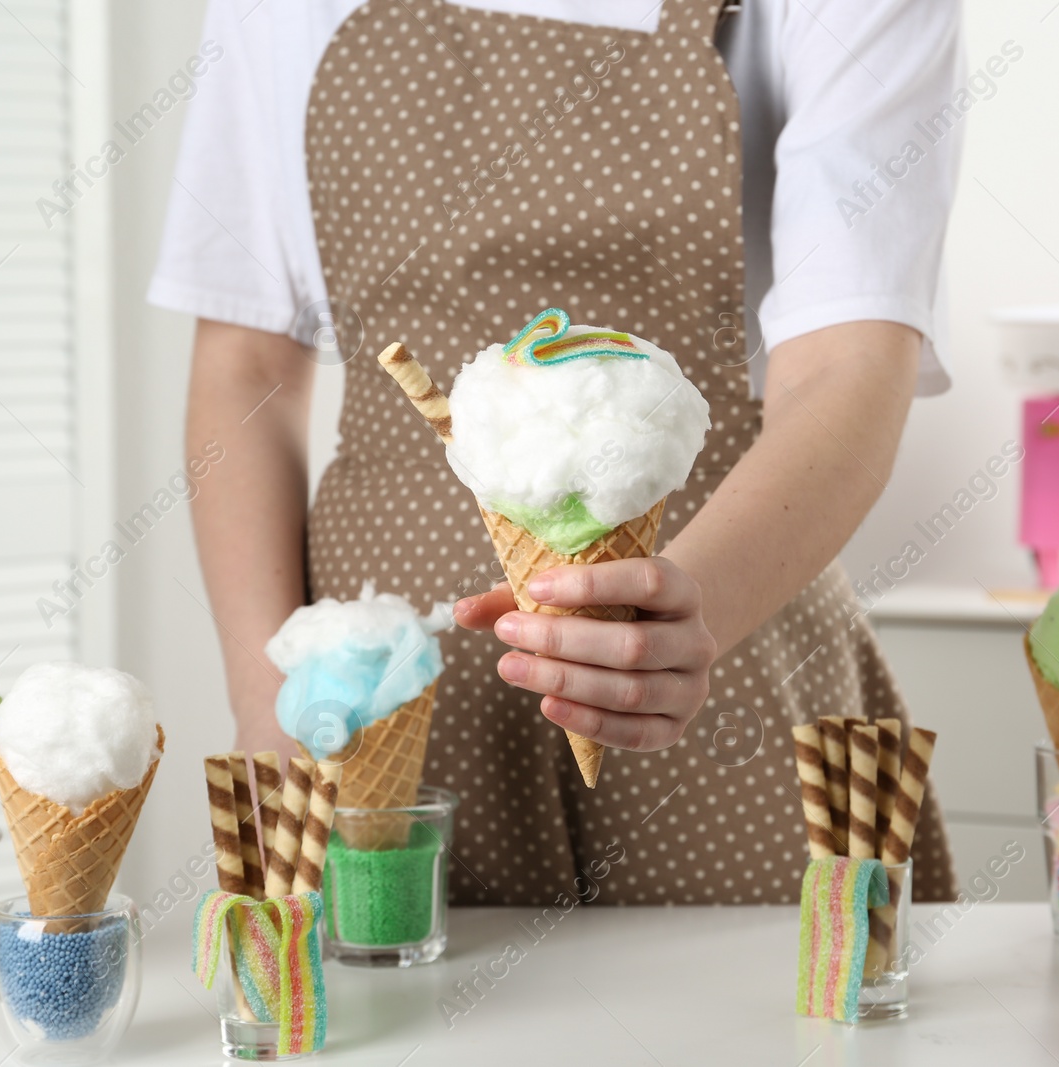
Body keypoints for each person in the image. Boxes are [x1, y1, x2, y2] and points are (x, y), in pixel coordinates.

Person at [151, 0, 963, 903]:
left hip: (723, 646)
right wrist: (268, 707)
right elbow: (245, 363)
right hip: (376, 690)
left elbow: (851, 361)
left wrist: (683, 620)